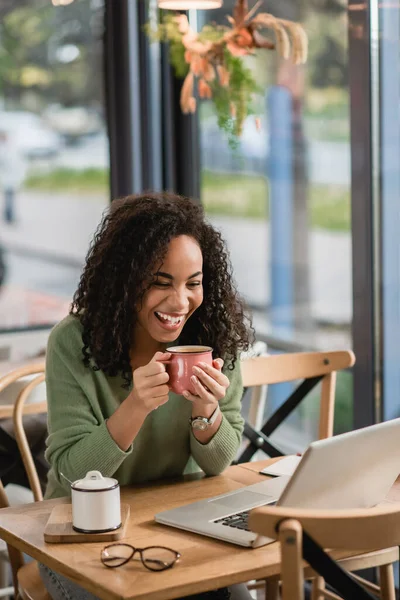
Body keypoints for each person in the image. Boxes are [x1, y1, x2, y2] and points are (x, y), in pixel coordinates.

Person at [39, 192, 254, 600]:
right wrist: (135, 406)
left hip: (179, 522)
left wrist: (205, 411)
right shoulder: (72, 342)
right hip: (81, 533)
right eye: (160, 283)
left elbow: (217, 465)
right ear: (124, 279)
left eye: (194, 283)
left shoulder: (213, 339)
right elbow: (72, 472)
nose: (180, 302)